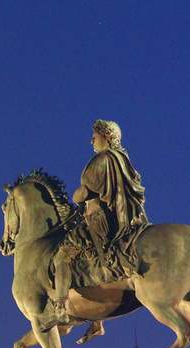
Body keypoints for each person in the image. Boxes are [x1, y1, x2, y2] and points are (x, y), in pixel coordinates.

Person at [50, 119, 150, 336]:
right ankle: (96, 319)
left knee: (62, 254)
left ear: (106, 137)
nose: (92, 141)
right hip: (121, 219)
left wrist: (76, 196)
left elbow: (85, 192)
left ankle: (59, 308)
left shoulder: (102, 159)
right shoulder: (123, 160)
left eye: (95, 136)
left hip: (100, 222)